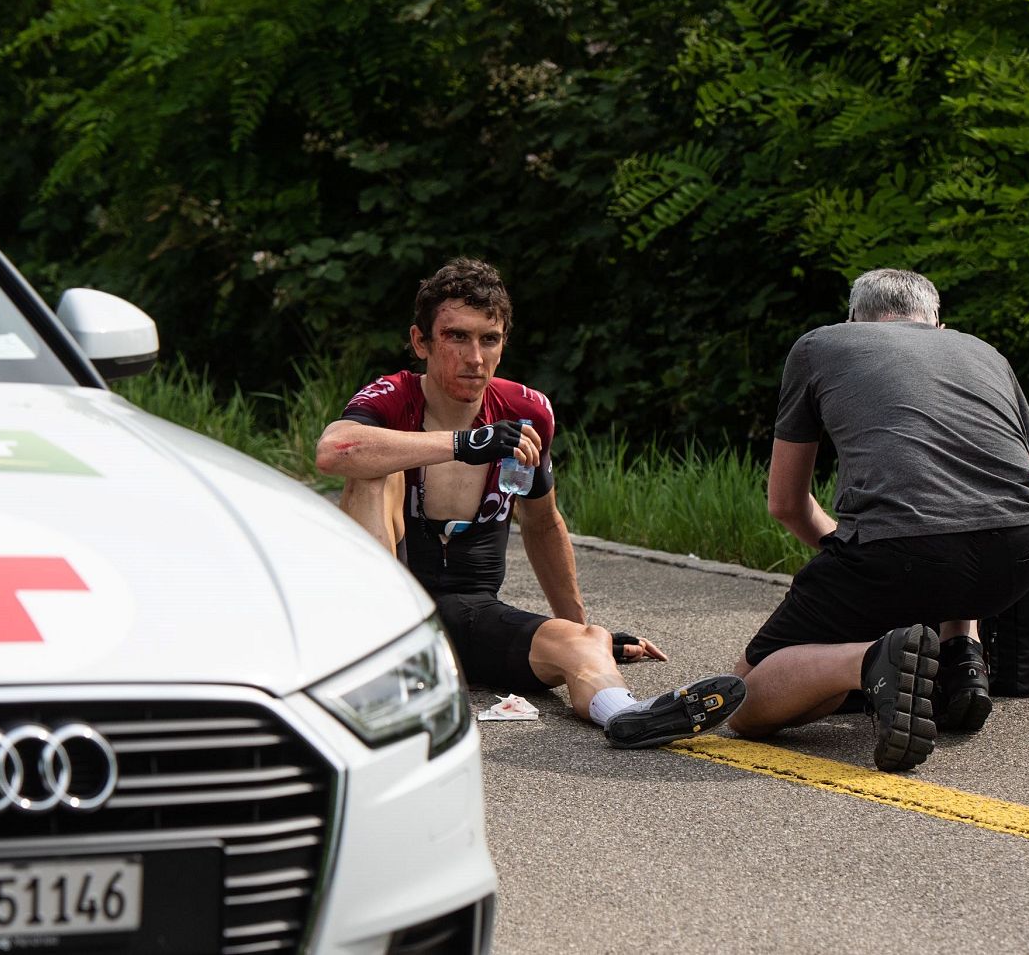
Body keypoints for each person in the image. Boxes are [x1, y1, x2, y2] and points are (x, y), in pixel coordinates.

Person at [316, 257, 743, 748]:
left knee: (579, 644)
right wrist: (462, 443)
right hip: (389, 619)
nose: (474, 357)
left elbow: (542, 525)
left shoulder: (525, 412)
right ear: (421, 342)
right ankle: (377, 667)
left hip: (469, 618)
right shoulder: (394, 396)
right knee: (369, 468)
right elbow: (335, 451)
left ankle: (625, 715)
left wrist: (585, 630)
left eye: (489, 339)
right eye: (457, 337)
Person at [724, 268, 1029, 771]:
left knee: (745, 701)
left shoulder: (821, 346)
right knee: (955, 532)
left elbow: (786, 504)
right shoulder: (985, 352)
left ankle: (868, 662)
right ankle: (962, 658)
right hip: (1021, 553)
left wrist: (856, 556)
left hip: (900, 554)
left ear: (852, 319)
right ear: (938, 324)